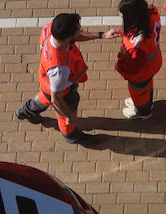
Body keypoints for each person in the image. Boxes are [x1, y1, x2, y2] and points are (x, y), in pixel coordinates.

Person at [15, 12, 105, 145]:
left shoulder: (50, 29)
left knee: (43, 97)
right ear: (69, 37)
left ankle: (25, 111)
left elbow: (74, 36)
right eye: (79, 29)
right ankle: (72, 135)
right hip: (62, 91)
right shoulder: (59, 70)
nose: (81, 30)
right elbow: (56, 99)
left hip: (46, 82)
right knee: (65, 113)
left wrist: (100, 35)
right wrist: (70, 116)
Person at [105, 0, 163, 120]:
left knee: (139, 93)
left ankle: (143, 111)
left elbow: (132, 69)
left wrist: (120, 66)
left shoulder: (137, 46)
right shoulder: (152, 12)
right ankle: (146, 102)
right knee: (147, 86)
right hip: (152, 63)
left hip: (140, 74)